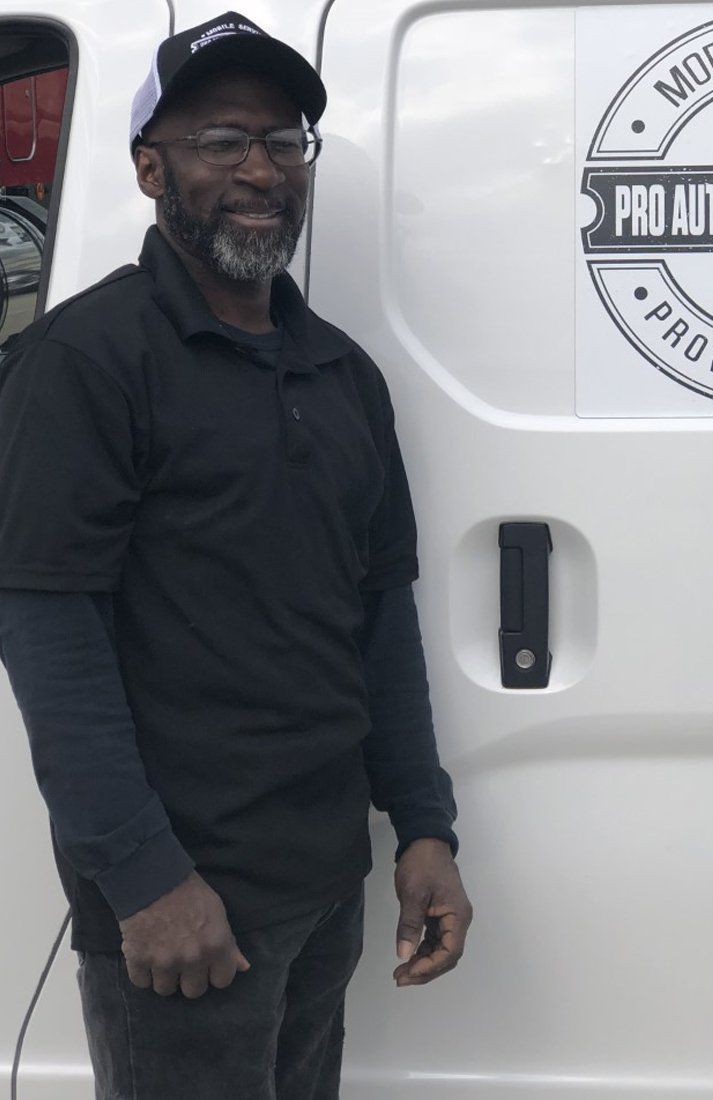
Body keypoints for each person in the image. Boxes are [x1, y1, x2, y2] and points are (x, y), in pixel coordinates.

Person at [0, 12, 472, 1099]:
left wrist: (423, 825)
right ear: (150, 167)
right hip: (185, 906)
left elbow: (378, 618)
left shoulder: (343, 375)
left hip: (323, 883)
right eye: (221, 141)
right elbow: (46, 632)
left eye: (283, 141)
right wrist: (146, 878)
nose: (259, 170)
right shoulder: (86, 362)